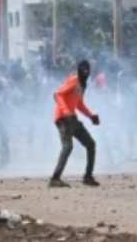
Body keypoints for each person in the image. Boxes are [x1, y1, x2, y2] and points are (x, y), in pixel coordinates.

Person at [50, 60, 101, 188]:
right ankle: (55, 179)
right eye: (83, 70)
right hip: (63, 118)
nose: (85, 72)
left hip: (72, 119)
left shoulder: (83, 85)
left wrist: (91, 116)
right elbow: (57, 95)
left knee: (91, 144)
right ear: (78, 70)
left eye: (87, 70)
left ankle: (88, 177)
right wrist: (66, 111)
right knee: (67, 147)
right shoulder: (73, 80)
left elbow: (79, 104)